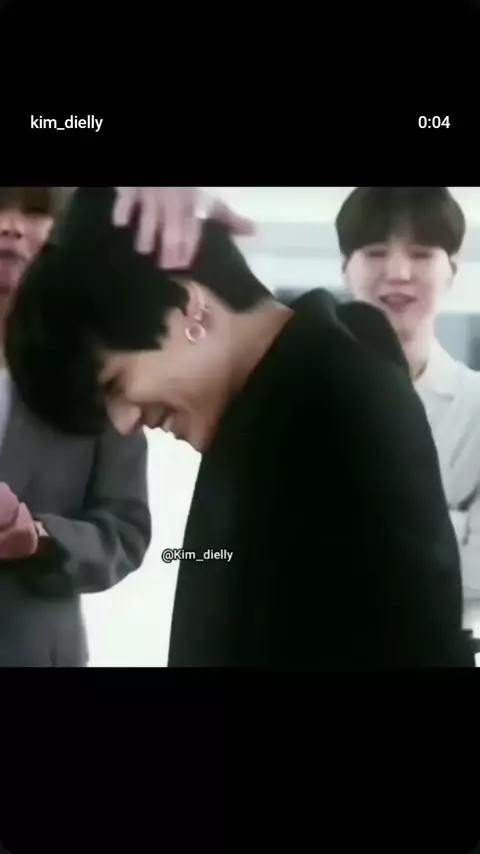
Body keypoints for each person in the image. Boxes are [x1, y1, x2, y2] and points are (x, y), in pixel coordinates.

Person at [5, 186, 474, 667]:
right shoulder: (267, 404)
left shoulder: (331, 405)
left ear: (187, 307)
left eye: (116, 384)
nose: (126, 422)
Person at [0, 186, 151, 666]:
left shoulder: (102, 370)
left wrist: (39, 538)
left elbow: (125, 533)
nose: (11, 226)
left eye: (34, 211)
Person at [336, 187, 480, 634]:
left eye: (421, 254)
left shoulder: (475, 408)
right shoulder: (293, 395)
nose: (398, 273)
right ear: (345, 268)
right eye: (375, 253)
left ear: (451, 271)